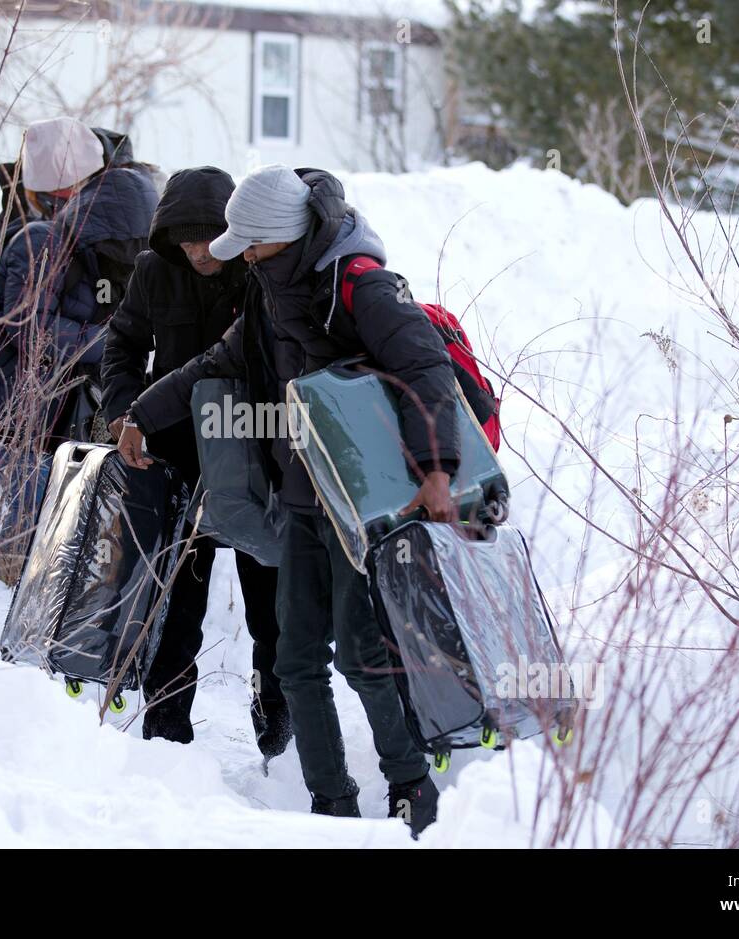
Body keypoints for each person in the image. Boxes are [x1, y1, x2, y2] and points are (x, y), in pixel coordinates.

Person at [116, 165, 460, 835]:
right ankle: (329, 803)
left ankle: (411, 784)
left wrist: (438, 466)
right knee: (296, 657)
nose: (241, 255)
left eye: (250, 243)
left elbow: (426, 366)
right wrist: (142, 413)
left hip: (365, 498)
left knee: (361, 652)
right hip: (303, 496)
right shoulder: (268, 295)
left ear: (279, 237)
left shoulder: (359, 284)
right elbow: (214, 363)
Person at [101, 167, 290, 757]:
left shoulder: (260, 267)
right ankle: (166, 741)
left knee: (273, 611)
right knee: (175, 611)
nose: (196, 252)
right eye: (183, 242)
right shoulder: (155, 272)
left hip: (257, 459)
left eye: (206, 239)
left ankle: (276, 727)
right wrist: (122, 409)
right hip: (176, 459)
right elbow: (122, 343)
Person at [0, 117, 158, 578]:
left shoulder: (63, 238)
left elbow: (40, 331)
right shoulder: (62, 238)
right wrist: (117, 345)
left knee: (38, 514)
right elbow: (32, 328)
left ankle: (13, 593)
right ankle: (11, 598)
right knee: (44, 512)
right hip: (16, 396)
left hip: (26, 402)